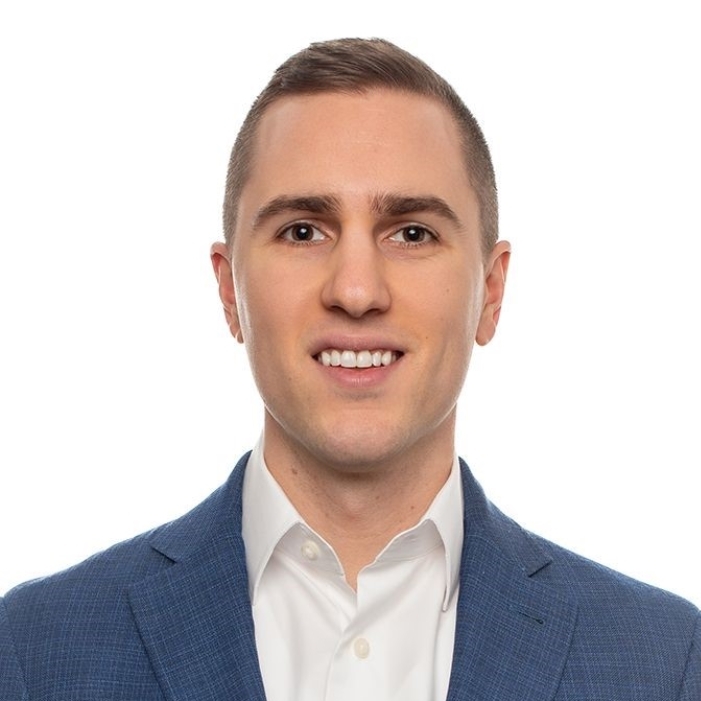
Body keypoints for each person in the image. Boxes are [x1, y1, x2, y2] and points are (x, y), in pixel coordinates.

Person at [0, 37, 698, 701]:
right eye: (303, 231)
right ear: (229, 291)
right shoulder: (36, 649)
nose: (357, 290)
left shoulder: (663, 661)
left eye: (412, 232)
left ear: (490, 293)